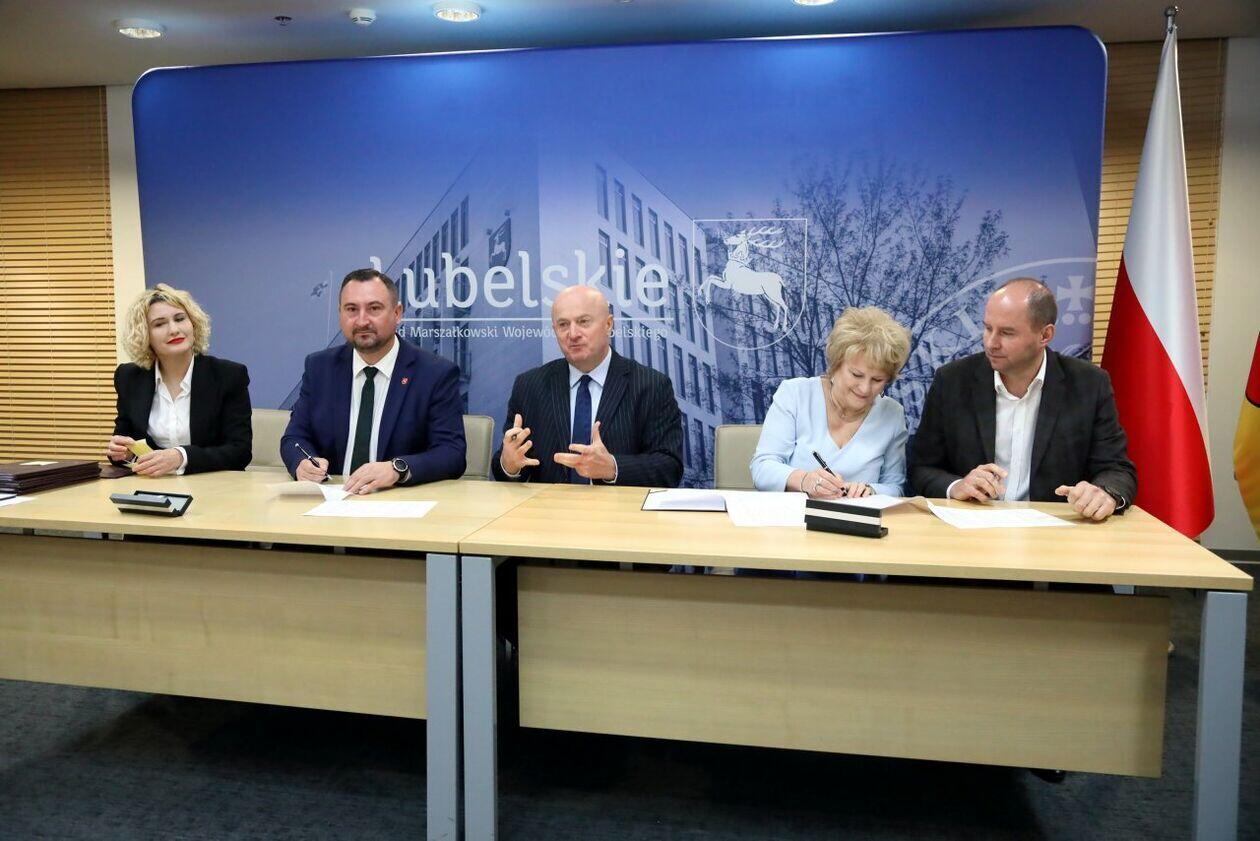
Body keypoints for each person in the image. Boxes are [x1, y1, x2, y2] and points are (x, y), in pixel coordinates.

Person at [909, 277, 1137, 520]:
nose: (991, 343)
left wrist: (1104, 493)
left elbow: (1117, 469)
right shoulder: (953, 381)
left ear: (1045, 335)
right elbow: (921, 467)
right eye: (987, 328)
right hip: (971, 526)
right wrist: (957, 486)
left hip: (1055, 530)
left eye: (1006, 333)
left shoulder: (1088, 384)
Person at [280, 268, 466, 494]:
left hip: (398, 501)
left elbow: (451, 453)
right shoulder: (320, 368)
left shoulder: (434, 373)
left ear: (397, 313)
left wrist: (397, 469)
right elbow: (295, 437)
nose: (362, 320)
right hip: (332, 499)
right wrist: (301, 462)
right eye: (351, 309)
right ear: (340, 314)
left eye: (374, 308)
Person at [492, 284, 683, 486]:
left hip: (618, 505)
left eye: (583, 322)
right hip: (549, 505)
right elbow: (505, 468)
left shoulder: (651, 386)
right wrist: (509, 465)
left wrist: (613, 468)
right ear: (554, 330)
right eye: (563, 325)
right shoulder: (530, 386)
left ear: (608, 324)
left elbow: (669, 467)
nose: (573, 333)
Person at [751, 306, 911, 499]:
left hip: (856, 517)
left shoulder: (892, 414)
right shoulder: (795, 394)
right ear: (836, 365)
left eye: (877, 380)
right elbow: (762, 467)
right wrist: (804, 480)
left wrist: (870, 490)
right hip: (795, 515)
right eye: (856, 375)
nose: (865, 389)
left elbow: (896, 486)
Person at [106, 284, 252, 476]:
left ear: (193, 324)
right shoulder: (129, 377)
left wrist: (181, 457)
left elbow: (240, 452)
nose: (174, 330)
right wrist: (124, 453)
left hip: (211, 485)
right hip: (153, 484)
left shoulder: (228, 375)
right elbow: (125, 443)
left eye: (180, 319)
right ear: (144, 334)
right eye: (159, 324)